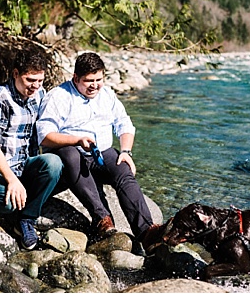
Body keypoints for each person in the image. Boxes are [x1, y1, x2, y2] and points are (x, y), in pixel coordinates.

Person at [37, 52, 161, 247]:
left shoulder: (107, 94)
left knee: (123, 169)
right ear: (76, 78)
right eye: (89, 81)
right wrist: (77, 140)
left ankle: (146, 232)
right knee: (70, 154)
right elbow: (44, 135)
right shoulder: (58, 96)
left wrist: (126, 152)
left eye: (99, 79)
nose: (95, 85)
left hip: (101, 152)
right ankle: (102, 219)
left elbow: (124, 123)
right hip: (70, 155)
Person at [0, 49, 65, 250]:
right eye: (30, 80)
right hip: (0, 169)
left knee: (54, 163)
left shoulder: (40, 94)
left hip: (26, 163)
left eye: (40, 80)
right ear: (16, 74)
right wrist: (12, 180)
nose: (35, 86)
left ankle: (26, 219)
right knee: (7, 205)